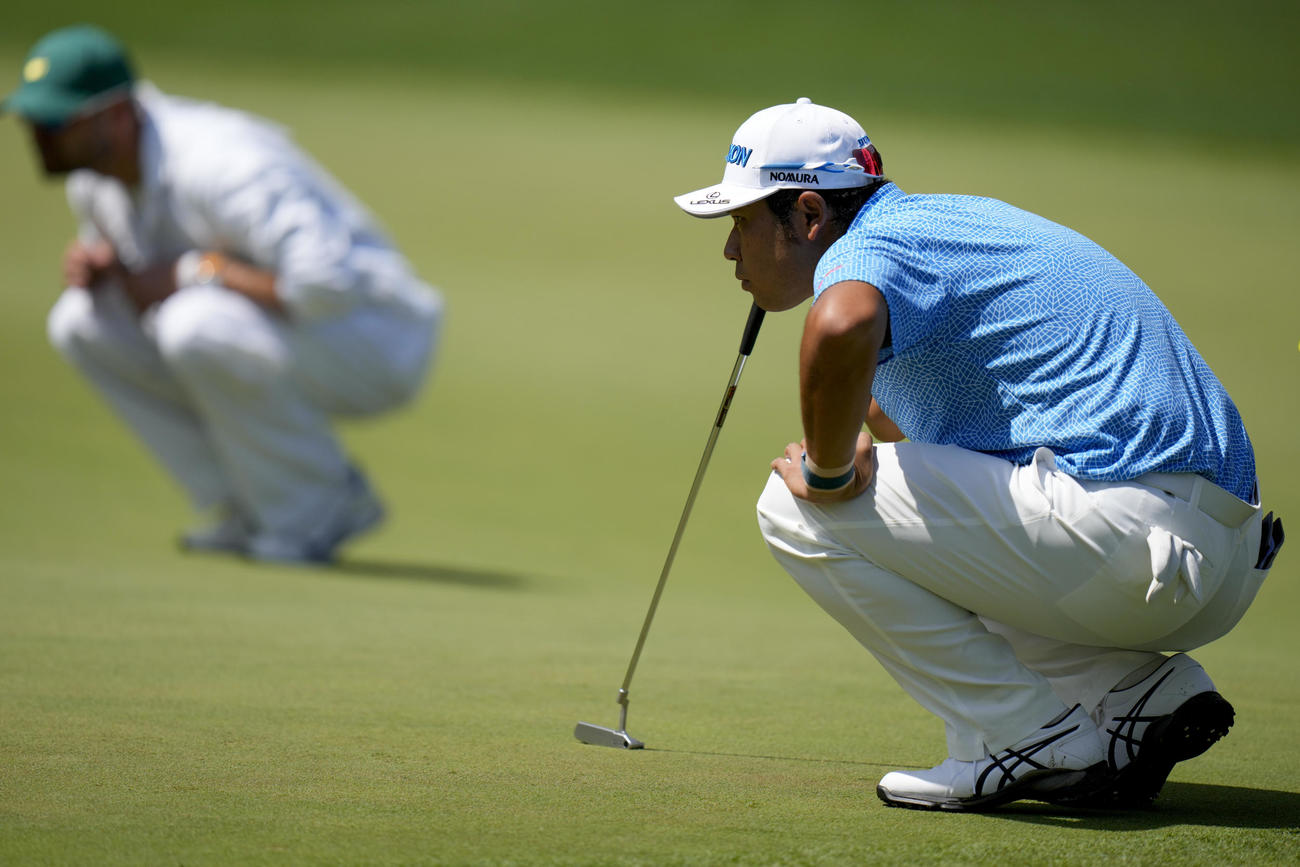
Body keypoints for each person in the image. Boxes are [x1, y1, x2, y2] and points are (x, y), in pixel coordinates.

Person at [674, 98, 1284, 811]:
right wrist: (862, 445)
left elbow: (841, 325)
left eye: (742, 223)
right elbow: (912, 459)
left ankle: (1022, 735)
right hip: (1216, 561)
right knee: (910, 536)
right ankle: (1134, 693)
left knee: (795, 504)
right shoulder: (944, 227)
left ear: (809, 216)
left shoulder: (873, 249)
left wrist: (830, 472)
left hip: (1126, 533)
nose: (728, 250)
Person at [3, 25, 444, 564]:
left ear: (115, 114)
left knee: (195, 323)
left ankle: (322, 507)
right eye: (32, 121)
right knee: (81, 321)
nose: (38, 136)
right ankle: (247, 506)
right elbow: (150, 275)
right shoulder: (93, 178)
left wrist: (195, 271)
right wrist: (107, 268)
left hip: (377, 341)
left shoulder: (223, 163)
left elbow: (327, 286)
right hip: (288, 330)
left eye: (54, 122)